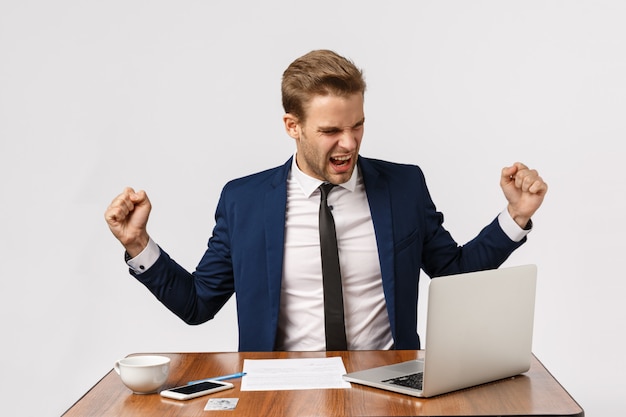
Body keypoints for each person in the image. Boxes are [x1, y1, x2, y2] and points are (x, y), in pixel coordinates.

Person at [104, 49, 547, 352]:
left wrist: (515, 217)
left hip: (390, 383)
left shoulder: (404, 187)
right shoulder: (245, 201)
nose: (349, 143)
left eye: (357, 125)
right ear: (292, 126)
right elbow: (198, 304)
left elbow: (453, 274)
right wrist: (138, 244)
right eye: (331, 131)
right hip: (281, 388)